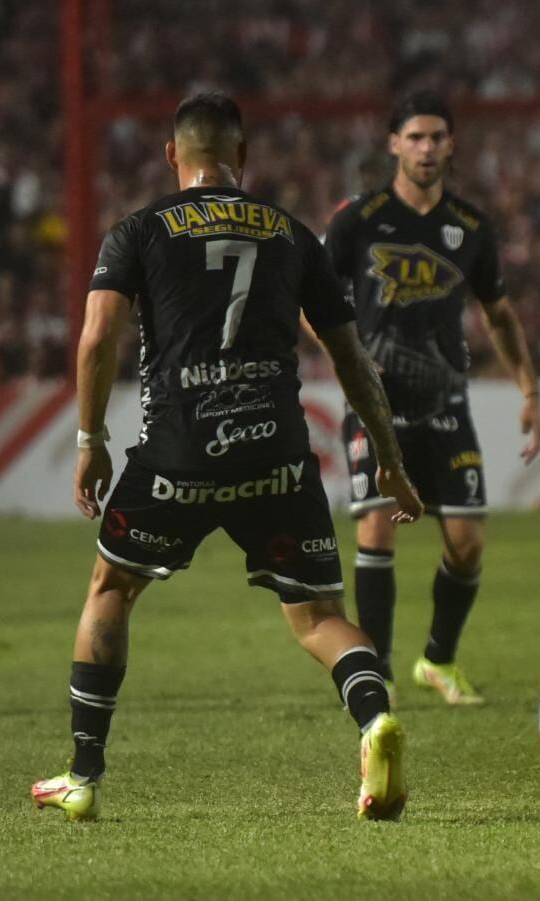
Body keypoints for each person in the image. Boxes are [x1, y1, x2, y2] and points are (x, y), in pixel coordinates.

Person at [30, 92, 423, 824]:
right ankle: (374, 721)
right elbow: (353, 359)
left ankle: (83, 772)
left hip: (179, 449)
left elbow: (96, 339)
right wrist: (390, 460)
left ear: (172, 155)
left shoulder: (138, 231)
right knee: (316, 618)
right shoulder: (292, 235)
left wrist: (91, 441)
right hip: (276, 452)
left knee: (110, 590)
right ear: (242, 157)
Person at [324, 91, 540, 706]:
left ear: (451, 146)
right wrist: (344, 355)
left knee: (468, 542)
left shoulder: (470, 229)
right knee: (377, 524)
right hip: (374, 403)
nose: (426, 148)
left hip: (446, 402)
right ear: (393, 144)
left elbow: (499, 315)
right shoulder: (358, 219)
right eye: (415, 137)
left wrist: (529, 387)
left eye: (437, 137)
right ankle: (378, 672)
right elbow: (308, 297)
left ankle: (438, 662)